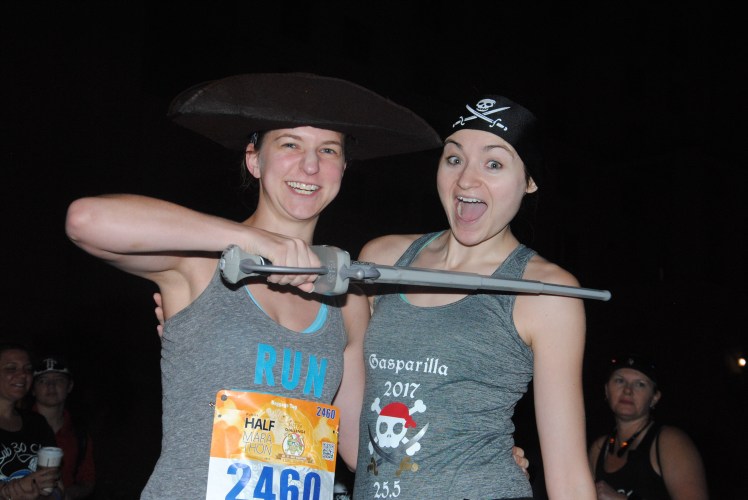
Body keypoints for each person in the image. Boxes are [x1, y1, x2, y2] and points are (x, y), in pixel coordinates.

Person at [64, 72, 442, 498]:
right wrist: (256, 241)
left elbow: (361, 449)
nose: (311, 166)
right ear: (254, 160)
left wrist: (468, 439)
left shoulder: (346, 298)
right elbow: (85, 220)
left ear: (342, 168)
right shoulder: (202, 264)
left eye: (328, 150)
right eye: (290, 145)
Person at [352, 94, 596, 499]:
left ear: (530, 181)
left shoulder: (548, 292)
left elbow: (568, 475)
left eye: (494, 164)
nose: (466, 180)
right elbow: (350, 420)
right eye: (454, 158)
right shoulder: (383, 260)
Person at [588, 354, 709, 500]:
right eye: (620, 381)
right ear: (607, 390)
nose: (627, 390)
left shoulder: (671, 442)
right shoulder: (599, 448)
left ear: (654, 398)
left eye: (640, 384)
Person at [0, 342, 64, 500]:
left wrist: (45, 494)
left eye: (28, 369)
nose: (22, 374)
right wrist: (7, 491)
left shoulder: (37, 423)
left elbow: (57, 486)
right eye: (11, 368)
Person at [32, 356, 95, 499]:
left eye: (59, 380)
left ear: (69, 386)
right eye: (43, 381)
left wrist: (67, 494)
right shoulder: (15, 428)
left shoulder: (80, 435)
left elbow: (88, 480)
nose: (51, 386)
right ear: (33, 389)